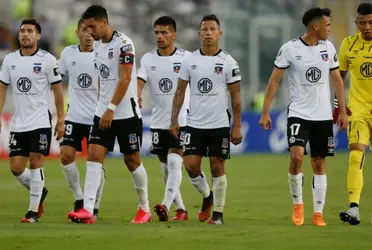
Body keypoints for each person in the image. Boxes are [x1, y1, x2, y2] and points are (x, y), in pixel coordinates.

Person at [259, 7, 348, 227]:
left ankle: (318, 213)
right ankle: (298, 204)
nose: (329, 29)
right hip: (298, 113)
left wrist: (342, 110)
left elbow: (337, 80)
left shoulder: (328, 47)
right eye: (327, 25)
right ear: (316, 26)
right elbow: (274, 81)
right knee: (297, 157)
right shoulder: (289, 49)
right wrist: (265, 111)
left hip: (323, 115)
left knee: (318, 162)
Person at [67, 5, 151, 224]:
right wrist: (101, 106)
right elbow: (102, 78)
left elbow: (125, 79)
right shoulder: (97, 47)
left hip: (125, 114)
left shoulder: (124, 44)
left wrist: (110, 108)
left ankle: (144, 209)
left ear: (104, 22)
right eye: (85, 28)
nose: (89, 32)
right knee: (94, 156)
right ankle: (87, 209)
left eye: (92, 26)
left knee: (132, 161)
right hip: (102, 113)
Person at [170, 14, 242, 224]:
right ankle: (207, 196)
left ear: (219, 33)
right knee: (190, 165)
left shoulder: (228, 62)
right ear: (199, 34)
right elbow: (179, 92)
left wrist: (236, 125)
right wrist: (174, 119)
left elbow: (236, 98)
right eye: (205, 29)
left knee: (217, 167)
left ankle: (218, 215)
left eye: (212, 29)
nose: (208, 33)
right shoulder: (189, 60)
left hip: (219, 124)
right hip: (194, 124)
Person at [0, 18, 64, 223]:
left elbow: (57, 90)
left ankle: (32, 212)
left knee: (36, 162)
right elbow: (2, 87)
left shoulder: (48, 60)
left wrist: (61, 118)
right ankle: (39, 191)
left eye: (29, 31)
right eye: (22, 31)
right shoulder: (10, 60)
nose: (25, 34)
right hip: (19, 122)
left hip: (40, 121)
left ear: (37, 36)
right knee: (16, 168)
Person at [137, 16, 190, 222]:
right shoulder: (148, 59)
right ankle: (182, 209)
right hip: (158, 121)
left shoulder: (186, 58)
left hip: (182, 119)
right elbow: (140, 79)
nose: (159, 36)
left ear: (173, 35)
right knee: (165, 167)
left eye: (164, 32)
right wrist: (139, 93)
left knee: (175, 161)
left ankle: (165, 205)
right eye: (157, 33)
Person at [59, 19, 105, 219]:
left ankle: (93, 204)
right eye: (84, 30)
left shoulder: (103, 53)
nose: (88, 34)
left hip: (97, 117)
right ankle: (80, 198)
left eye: (91, 30)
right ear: (77, 32)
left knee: (96, 162)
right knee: (66, 155)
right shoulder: (68, 53)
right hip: (75, 116)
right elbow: (56, 81)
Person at [336, 3, 372, 225]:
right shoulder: (348, 45)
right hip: (358, 110)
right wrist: (338, 107)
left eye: (371, 22)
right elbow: (338, 77)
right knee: (356, 154)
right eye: (362, 23)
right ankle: (354, 208)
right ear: (356, 23)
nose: (367, 27)